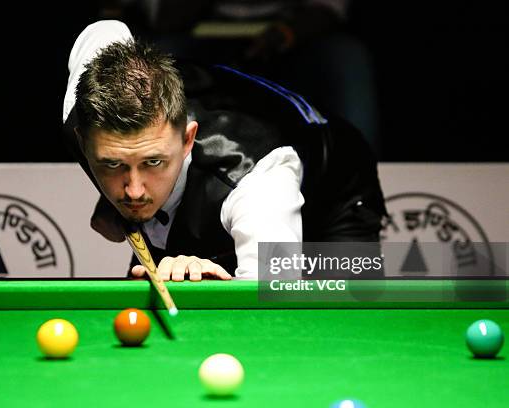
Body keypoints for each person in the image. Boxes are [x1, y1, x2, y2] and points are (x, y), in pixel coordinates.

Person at [62, 20, 386, 281]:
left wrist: (220, 292)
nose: (133, 190)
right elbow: (105, 29)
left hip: (334, 190)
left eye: (153, 162)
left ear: (187, 140)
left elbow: (272, 295)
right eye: (112, 164)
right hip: (205, 188)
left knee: (344, 321)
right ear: (83, 140)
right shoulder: (88, 101)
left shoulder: (258, 186)